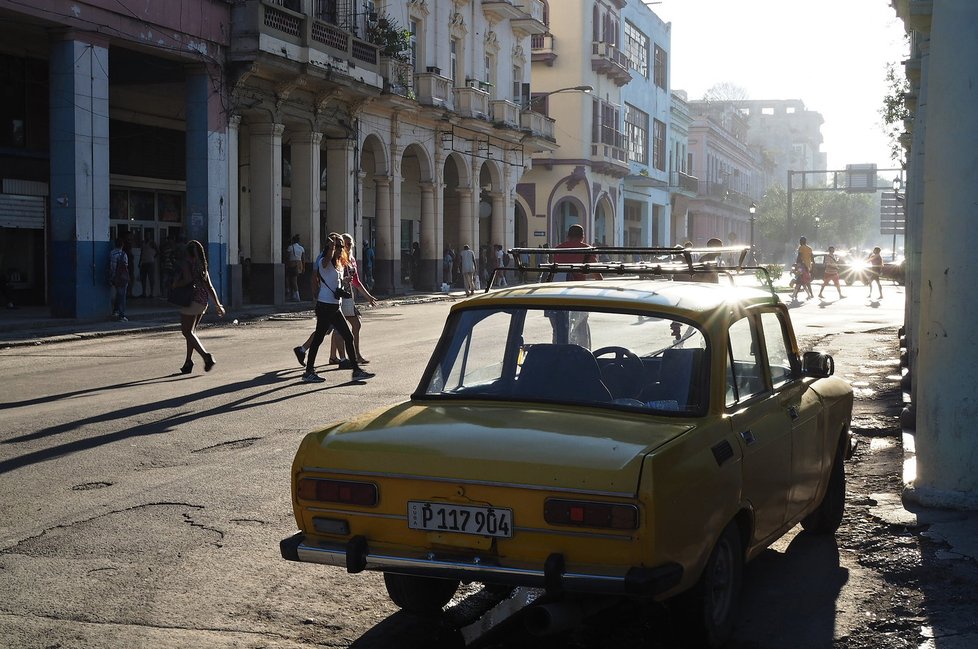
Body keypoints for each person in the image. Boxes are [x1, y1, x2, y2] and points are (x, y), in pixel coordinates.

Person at [303, 235, 375, 383]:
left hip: (335, 307)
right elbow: (324, 266)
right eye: (338, 246)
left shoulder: (339, 264)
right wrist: (331, 247)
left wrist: (344, 282)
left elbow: (334, 281)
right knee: (318, 339)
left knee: (347, 337)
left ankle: (356, 371)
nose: (341, 248)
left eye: (342, 246)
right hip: (325, 306)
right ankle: (309, 371)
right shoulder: (325, 261)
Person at [173, 239, 225, 374]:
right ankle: (188, 362)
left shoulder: (187, 263)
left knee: (186, 332)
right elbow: (210, 286)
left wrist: (175, 284)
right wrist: (218, 304)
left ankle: (206, 356)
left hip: (191, 300)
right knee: (192, 333)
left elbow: (188, 280)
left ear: (188, 253)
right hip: (202, 301)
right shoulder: (203, 266)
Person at [328, 233, 377, 367]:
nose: (349, 246)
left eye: (351, 244)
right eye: (346, 244)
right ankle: (350, 357)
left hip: (348, 297)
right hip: (339, 297)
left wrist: (368, 297)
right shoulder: (337, 259)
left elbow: (356, 281)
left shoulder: (351, 259)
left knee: (340, 327)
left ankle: (335, 356)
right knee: (344, 327)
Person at [109, 238, 130, 321]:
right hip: (122, 278)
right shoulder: (124, 254)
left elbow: (112, 267)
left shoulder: (112, 253)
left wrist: (112, 277)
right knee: (122, 296)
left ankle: (115, 310)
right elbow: (126, 266)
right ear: (122, 245)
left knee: (119, 294)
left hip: (115, 277)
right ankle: (121, 315)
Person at [792, 236, 815, 301]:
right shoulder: (809, 248)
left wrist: (796, 264)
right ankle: (810, 294)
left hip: (802, 266)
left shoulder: (801, 247)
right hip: (808, 266)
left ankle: (795, 294)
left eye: (800, 241)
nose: (800, 242)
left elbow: (799, 256)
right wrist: (813, 266)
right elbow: (812, 257)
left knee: (800, 279)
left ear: (802, 241)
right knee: (804, 280)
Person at [286, 234, 305, 302]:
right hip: (299, 265)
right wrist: (303, 267)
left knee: (291, 280)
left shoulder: (290, 248)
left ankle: (296, 295)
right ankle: (294, 294)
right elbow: (303, 259)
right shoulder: (301, 248)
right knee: (295, 280)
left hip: (292, 265)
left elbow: (287, 257)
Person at [139, 231, 158, 298]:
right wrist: (139, 262)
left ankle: (152, 293)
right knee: (143, 278)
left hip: (150, 263)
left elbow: (157, 251)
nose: (147, 236)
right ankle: (144, 292)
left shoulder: (152, 243)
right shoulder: (143, 242)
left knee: (151, 278)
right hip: (144, 263)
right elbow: (141, 252)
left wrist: (153, 257)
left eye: (148, 235)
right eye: (146, 235)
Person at [160, 233, 177, 299]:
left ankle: (172, 294)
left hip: (173, 267)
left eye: (171, 239)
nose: (170, 241)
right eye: (169, 239)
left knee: (172, 281)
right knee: (165, 280)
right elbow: (163, 257)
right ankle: (164, 294)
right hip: (166, 266)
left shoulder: (175, 247)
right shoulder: (165, 247)